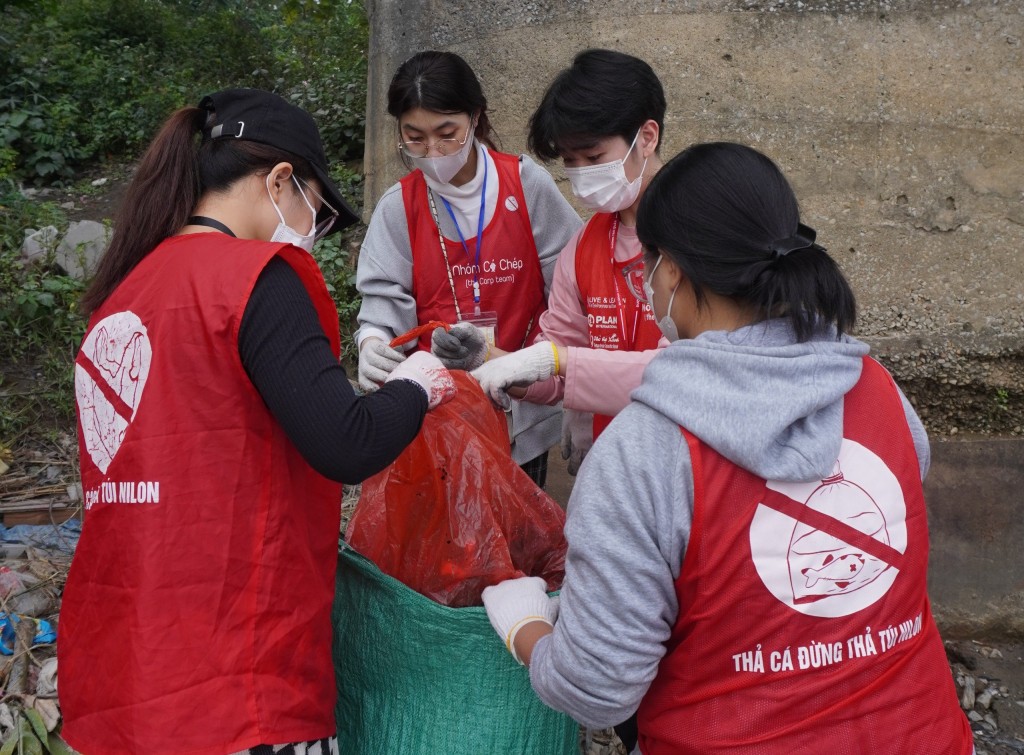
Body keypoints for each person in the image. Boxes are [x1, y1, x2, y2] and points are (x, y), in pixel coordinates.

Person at [480, 142, 974, 754]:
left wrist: (527, 627)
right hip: (924, 737)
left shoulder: (643, 453)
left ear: (672, 272)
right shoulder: (874, 386)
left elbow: (597, 689)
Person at [60, 88, 456, 755]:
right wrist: (418, 385)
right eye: (317, 212)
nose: (311, 231)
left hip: (121, 676)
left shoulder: (122, 294)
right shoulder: (255, 278)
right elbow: (344, 440)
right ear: (279, 181)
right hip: (237, 679)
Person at [432, 49, 668, 478]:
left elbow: (690, 374)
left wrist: (556, 362)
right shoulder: (583, 248)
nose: (581, 175)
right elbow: (555, 369)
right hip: (619, 469)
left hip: (696, 464)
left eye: (594, 158)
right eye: (570, 162)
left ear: (646, 137)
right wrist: (494, 360)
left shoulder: (703, 230)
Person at [354, 50, 582, 488]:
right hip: (439, 413)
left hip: (522, 400)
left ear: (475, 118)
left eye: (447, 133)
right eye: (414, 137)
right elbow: (384, 298)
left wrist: (566, 382)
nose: (433, 152)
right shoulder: (400, 207)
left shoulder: (524, 185)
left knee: (520, 535)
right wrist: (373, 341)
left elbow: (571, 285)